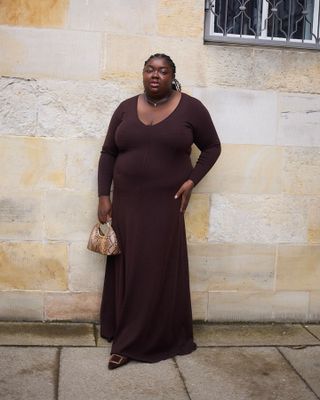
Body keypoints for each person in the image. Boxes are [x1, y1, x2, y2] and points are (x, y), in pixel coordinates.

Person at [97, 53, 221, 370]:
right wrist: (103, 195)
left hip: (165, 206)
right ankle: (123, 331)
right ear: (143, 73)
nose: (156, 75)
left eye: (163, 71)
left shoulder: (191, 108)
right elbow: (109, 151)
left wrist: (192, 180)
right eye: (150, 69)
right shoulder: (125, 108)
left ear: (172, 76)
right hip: (126, 205)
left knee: (153, 270)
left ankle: (133, 343)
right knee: (129, 267)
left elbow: (212, 147)